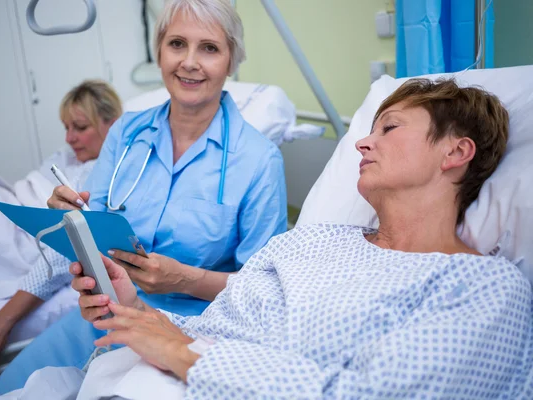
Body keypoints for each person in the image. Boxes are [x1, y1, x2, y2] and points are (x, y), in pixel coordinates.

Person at [62, 78, 530, 398]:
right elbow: (215, 329)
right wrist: (133, 308)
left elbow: (372, 394)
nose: (363, 144)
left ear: (456, 151)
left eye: (389, 129)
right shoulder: (309, 241)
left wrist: (186, 357)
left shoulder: (484, 287)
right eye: (369, 131)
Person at [0, 0, 287, 394]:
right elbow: (93, 231)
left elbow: (262, 290)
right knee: (7, 390)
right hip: (106, 310)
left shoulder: (258, 161)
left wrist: (186, 279)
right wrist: (70, 220)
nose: (190, 62)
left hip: (191, 328)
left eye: (210, 48)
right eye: (177, 44)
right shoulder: (126, 134)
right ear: (160, 50)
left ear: (232, 60)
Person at [0, 79, 123, 385]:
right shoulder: (62, 160)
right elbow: (27, 191)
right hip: (13, 206)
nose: (69, 138)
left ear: (112, 125)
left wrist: (0, 323)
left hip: (20, 237)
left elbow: (59, 248)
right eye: (66, 127)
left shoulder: (103, 173)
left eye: (79, 127)